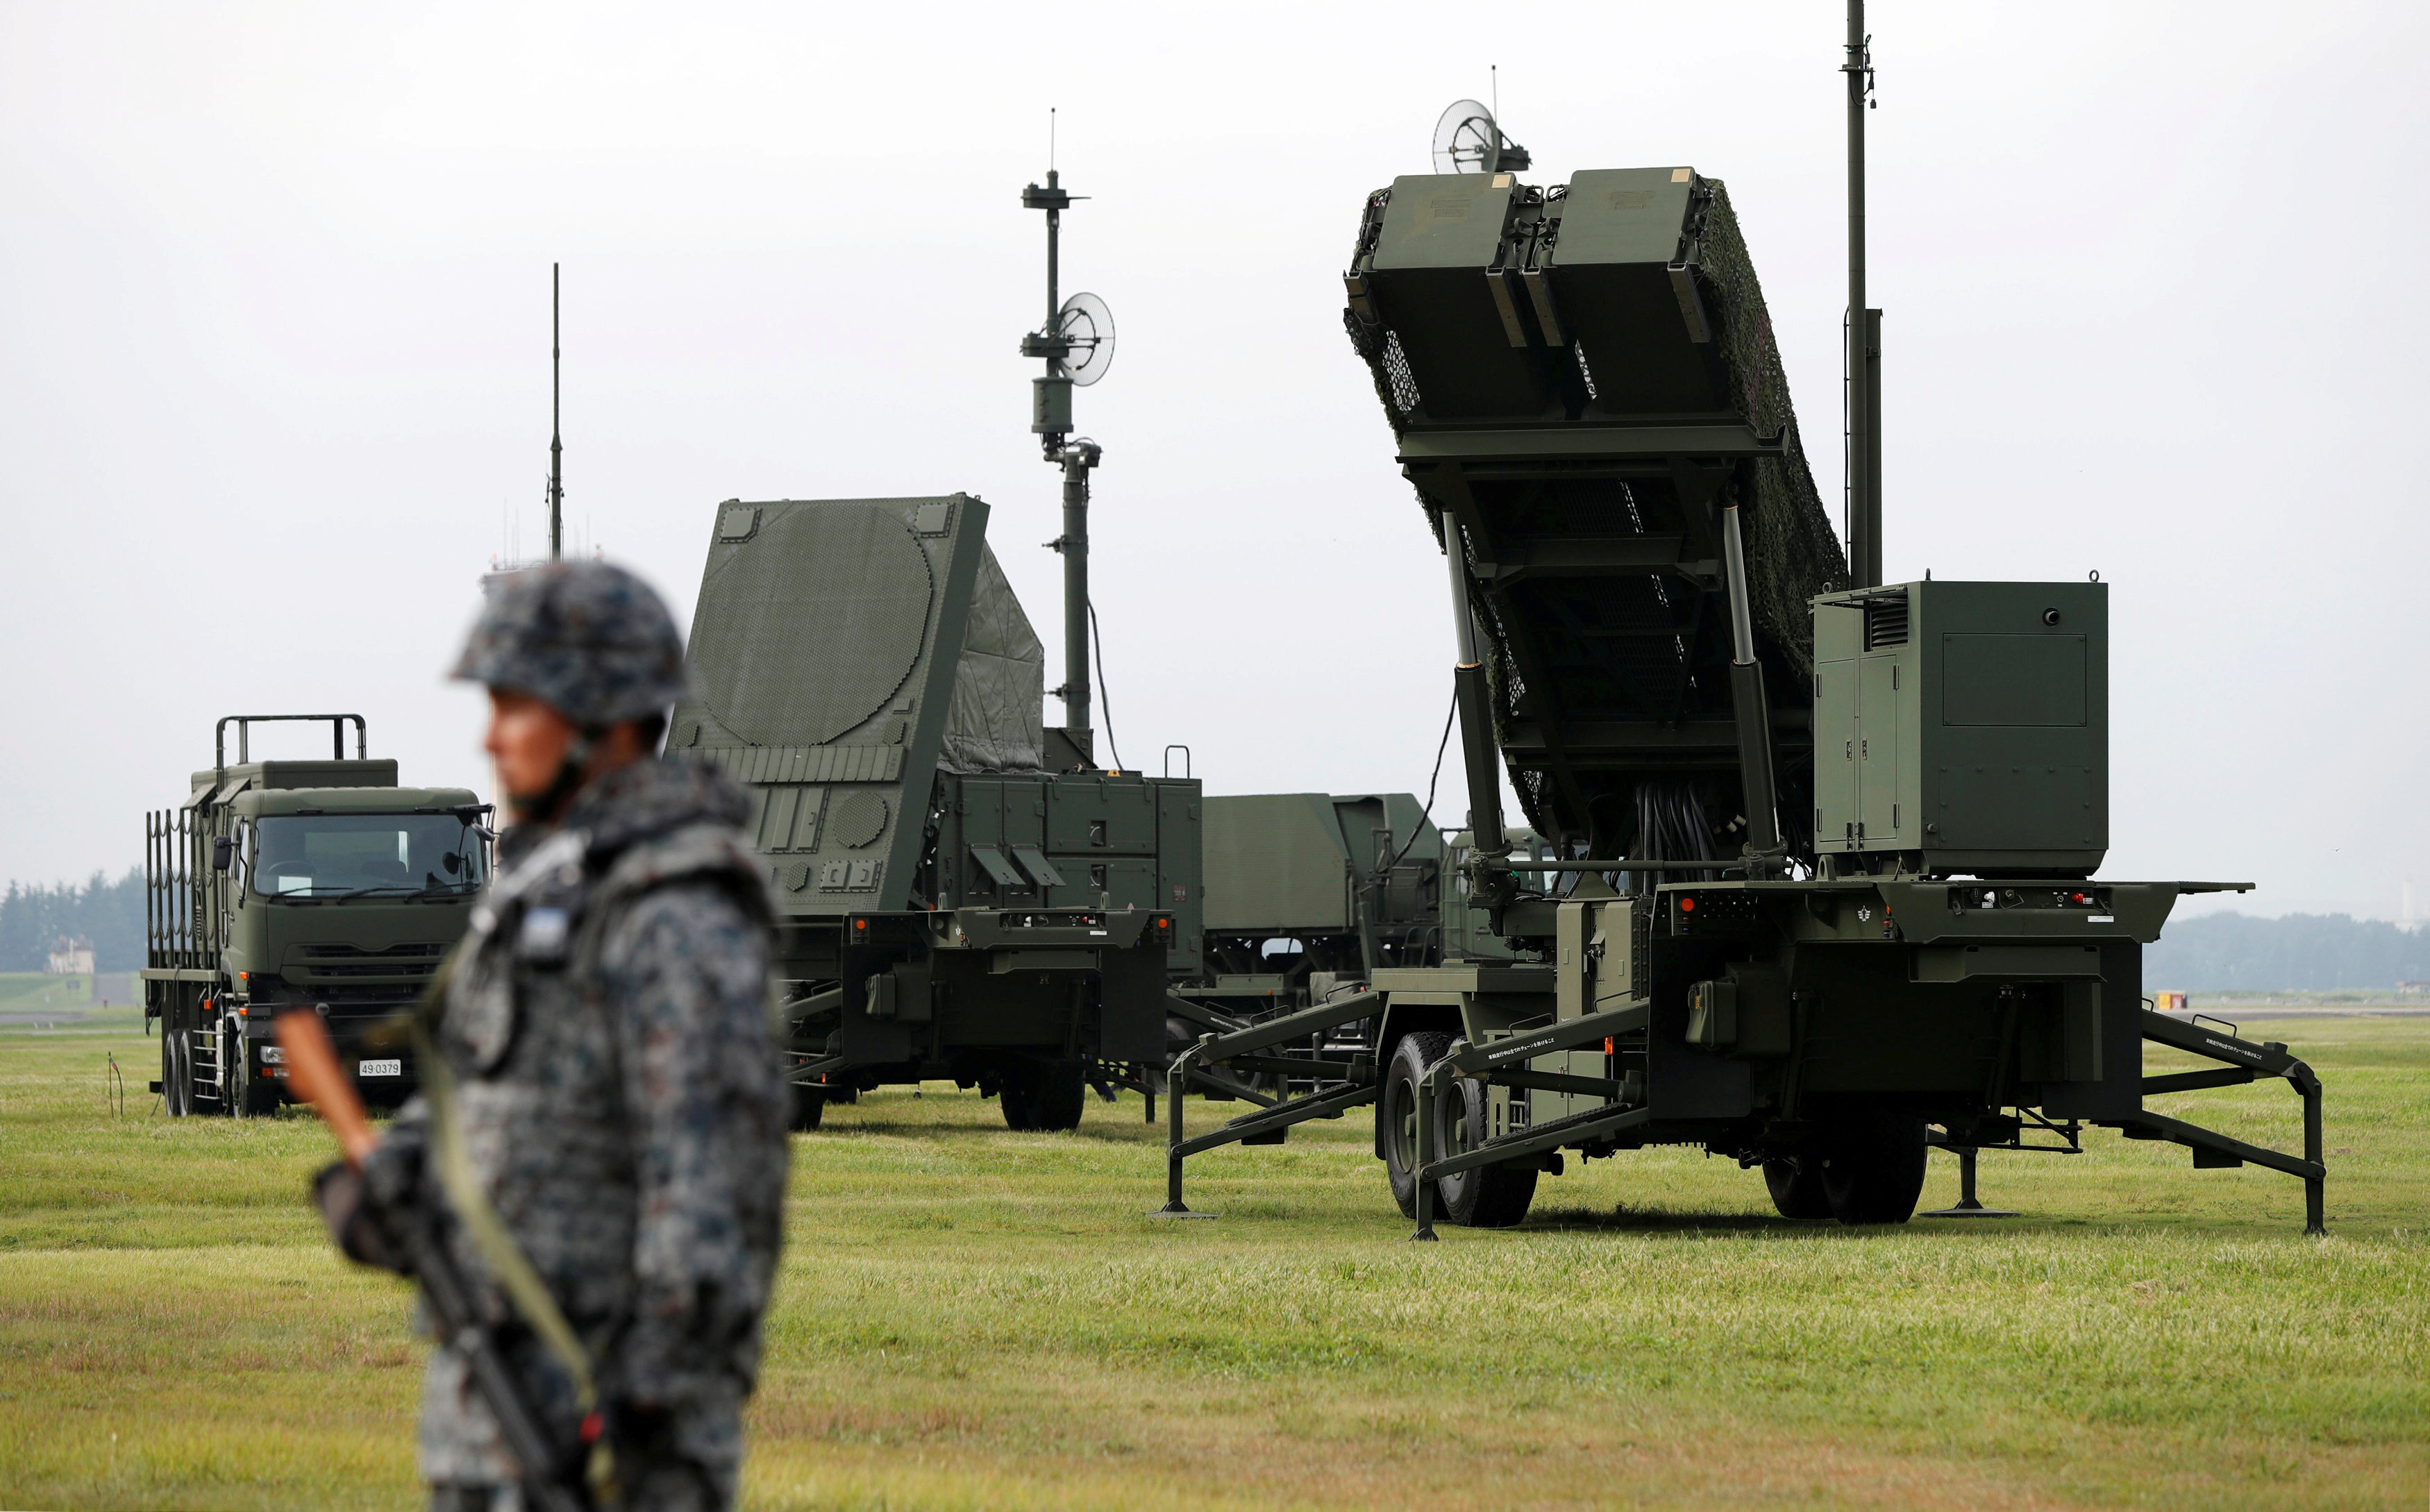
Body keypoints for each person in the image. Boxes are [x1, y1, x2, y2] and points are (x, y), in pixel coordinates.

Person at [319, 561, 789, 1512]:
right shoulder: (540, 895)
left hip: (606, 1449)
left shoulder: (673, 912)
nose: (491, 736)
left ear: (604, 722)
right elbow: (489, 1093)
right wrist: (405, 1175)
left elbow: (712, 1197)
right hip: (487, 1430)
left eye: (516, 707)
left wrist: (645, 1424)